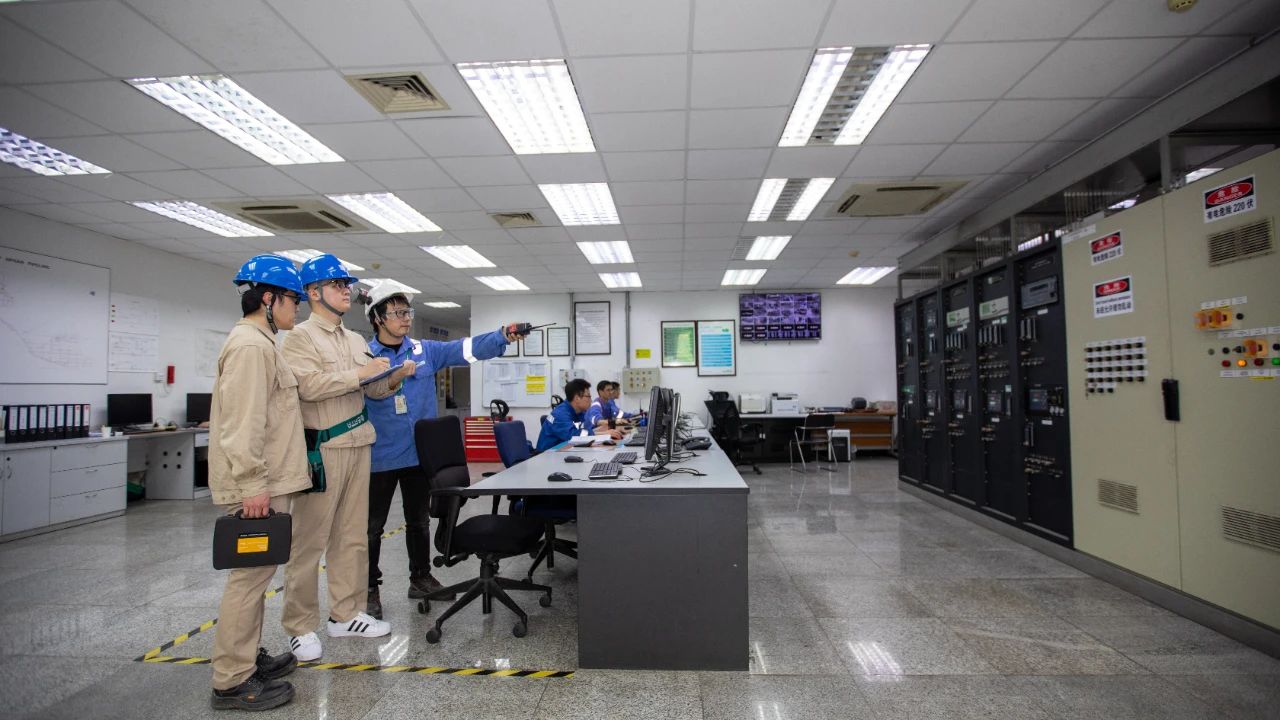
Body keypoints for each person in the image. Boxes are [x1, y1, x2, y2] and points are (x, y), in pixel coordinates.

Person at [280, 255, 415, 662]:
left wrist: (391, 378)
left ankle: (346, 613)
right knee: (309, 543)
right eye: (337, 284)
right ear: (313, 292)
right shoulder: (300, 338)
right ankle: (300, 626)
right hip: (324, 449)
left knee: (352, 537)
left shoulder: (355, 339)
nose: (346, 291)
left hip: (359, 444)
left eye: (346, 284)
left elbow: (369, 390)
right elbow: (308, 387)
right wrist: (360, 374)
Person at [362, 281, 522, 619]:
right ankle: (369, 589)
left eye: (408, 312)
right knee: (371, 528)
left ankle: (420, 578)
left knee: (418, 521)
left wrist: (501, 336)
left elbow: (465, 348)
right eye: (398, 312)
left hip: (419, 454)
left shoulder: (424, 351)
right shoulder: (364, 356)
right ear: (377, 318)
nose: (406, 318)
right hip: (379, 456)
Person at [208, 255, 310, 711]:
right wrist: (252, 484)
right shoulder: (250, 347)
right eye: (293, 299)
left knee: (259, 574)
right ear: (268, 299)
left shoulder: (263, 343)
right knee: (249, 579)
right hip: (257, 483)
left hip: (271, 478)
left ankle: (246, 658)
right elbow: (242, 423)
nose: (297, 307)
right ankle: (231, 680)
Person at [537, 378, 624, 451]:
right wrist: (604, 434)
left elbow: (584, 432)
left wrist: (603, 433)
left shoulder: (580, 412)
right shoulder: (560, 414)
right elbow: (573, 436)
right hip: (548, 455)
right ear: (577, 398)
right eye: (588, 396)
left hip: (566, 450)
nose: (591, 400)